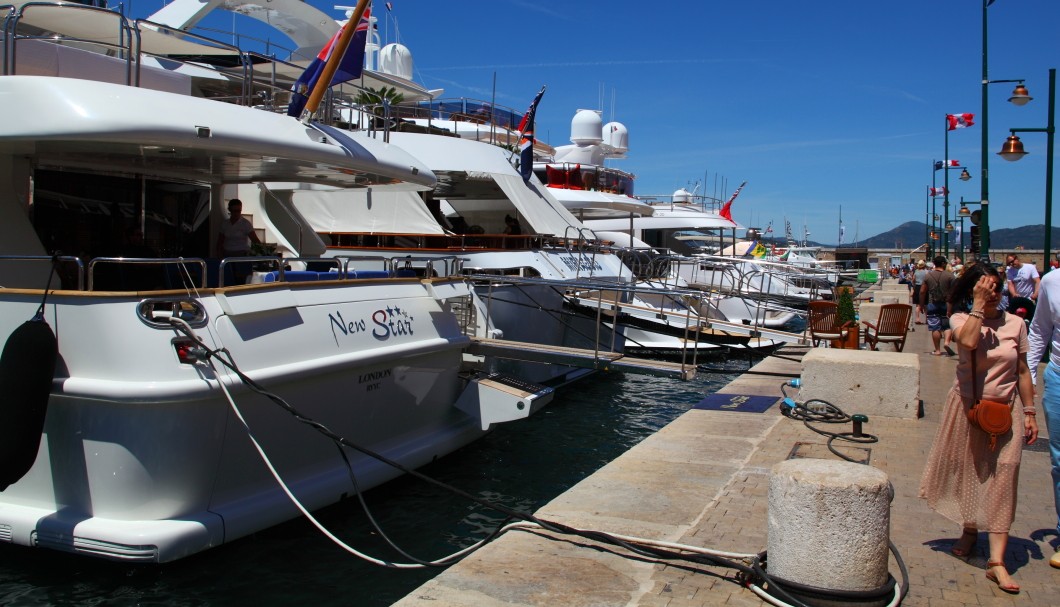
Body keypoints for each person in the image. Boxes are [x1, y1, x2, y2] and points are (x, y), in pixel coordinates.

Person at [919, 263, 1039, 593]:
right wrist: (976, 307)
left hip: (1006, 410)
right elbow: (968, 343)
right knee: (970, 472)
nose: (994, 294)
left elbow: (1024, 372)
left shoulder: (1016, 324)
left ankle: (997, 562)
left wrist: (1029, 412)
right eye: (987, 288)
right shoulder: (961, 320)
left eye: (997, 287)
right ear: (973, 291)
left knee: (1005, 475)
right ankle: (970, 530)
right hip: (968, 407)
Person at [1027, 267, 1060, 570]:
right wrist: (1030, 378)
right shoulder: (1052, 281)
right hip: (1059, 379)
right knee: (1059, 462)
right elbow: (1039, 330)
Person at [215, 199, 261, 285]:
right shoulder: (225, 224)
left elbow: (255, 240)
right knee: (228, 280)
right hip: (227, 255)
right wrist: (219, 257)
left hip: (242, 255)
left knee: (242, 280)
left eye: (239, 211)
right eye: (234, 211)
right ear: (230, 210)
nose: (236, 213)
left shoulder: (245, 224)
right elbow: (220, 242)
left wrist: (260, 254)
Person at [921, 255, 955, 356]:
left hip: (933, 303)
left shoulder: (928, 276)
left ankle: (937, 350)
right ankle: (946, 342)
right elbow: (954, 292)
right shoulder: (950, 276)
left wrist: (922, 304)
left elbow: (922, 291)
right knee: (947, 325)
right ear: (943, 264)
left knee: (935, 327)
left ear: (934, 264)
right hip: (947, 304)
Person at [913, 259, 929, 325]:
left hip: (917, 287)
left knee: (917, 304)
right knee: (925, 304)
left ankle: (917, 318)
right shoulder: (926, 272)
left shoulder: (916, 272)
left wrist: (914, 286)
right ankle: (927, 319)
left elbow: (913, 279)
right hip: (924, 287)